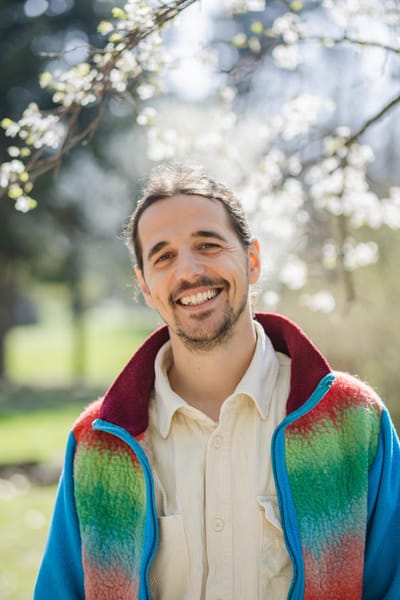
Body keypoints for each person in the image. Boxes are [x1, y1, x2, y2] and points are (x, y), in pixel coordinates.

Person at [34, 162, 400, 600]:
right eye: (164, 257)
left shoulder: (352, 420)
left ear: (252, 260)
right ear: (145, 286)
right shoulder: (97, 447)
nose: (188, 271)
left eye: (207, 245)